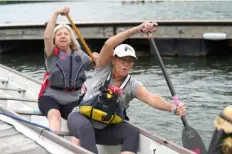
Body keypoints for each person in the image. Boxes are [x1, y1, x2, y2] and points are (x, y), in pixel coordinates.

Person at [67, 21, 186, 154]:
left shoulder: (132, 85)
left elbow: (151, 99)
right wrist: (137, 29)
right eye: (122, 60)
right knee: (85, 128)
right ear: (113, 59)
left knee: (132, 132)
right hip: (80, 119)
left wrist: (173, 108)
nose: (126, 64)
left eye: (130, 61)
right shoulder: (103, 68)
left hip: (104, 130)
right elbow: (108, 44)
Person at [38, 7, 96, 144]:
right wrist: (56, 14)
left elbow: (100, 65)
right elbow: (47, 36)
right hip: (50, 97)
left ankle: (73, 150)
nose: (62, 36)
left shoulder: (82, 57)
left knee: (77, 121)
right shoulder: (51, 54)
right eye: (59, 34)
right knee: (55, 115)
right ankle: (56, 145)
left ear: (71, 39)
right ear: (54, 39)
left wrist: (98, 58)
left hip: (73, 99)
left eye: (66, 34)